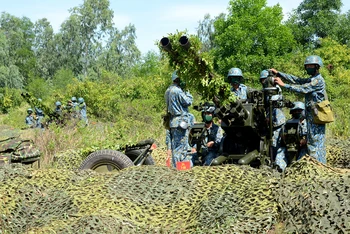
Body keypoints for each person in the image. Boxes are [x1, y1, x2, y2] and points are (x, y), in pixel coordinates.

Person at [271, 55, 327, 164]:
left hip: (317, 117)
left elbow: (303, 89)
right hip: (311, 117)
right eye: (307, 66)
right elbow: (297, 80)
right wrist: (279, 74)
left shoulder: (317, 81)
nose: (308, 68)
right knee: (311, 142)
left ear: (317, 67)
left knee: (316, 143)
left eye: (310, 66)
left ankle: (320, 166)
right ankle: (316, 165)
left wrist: (284, 85)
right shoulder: (312, 79)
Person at [259, 70, 287, 171]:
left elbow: (273, 104)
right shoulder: (263, 91)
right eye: (262, 80)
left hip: (277, 121)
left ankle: (279, 165)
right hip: (269, 122)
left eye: (265, 80)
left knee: (277, 144)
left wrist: (269, 117)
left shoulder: (274, 89)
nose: (264, 82)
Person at [165, 70, 193, 168]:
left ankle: (175, 167)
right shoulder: (177, 91)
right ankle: (179, 169)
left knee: (175, 147)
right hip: (181, 121)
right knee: (181, 148)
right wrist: (188, 94)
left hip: (173, 122)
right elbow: (188, 101)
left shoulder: (168, 90)